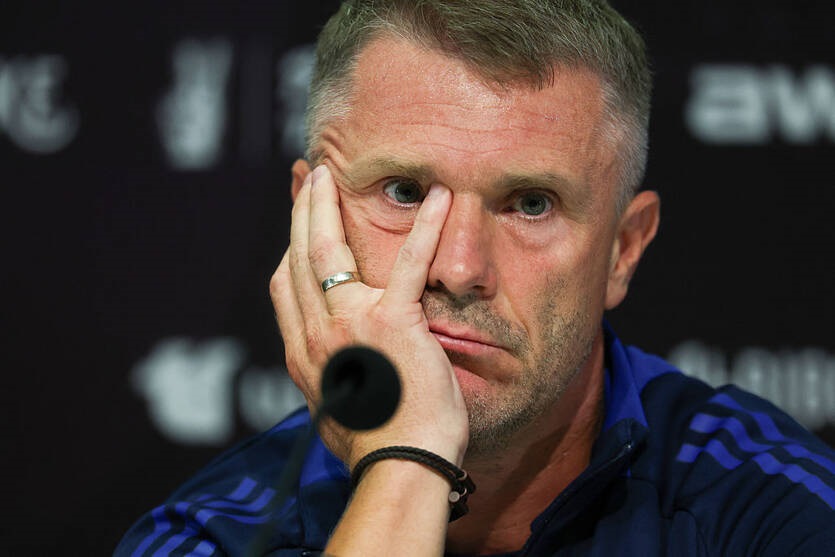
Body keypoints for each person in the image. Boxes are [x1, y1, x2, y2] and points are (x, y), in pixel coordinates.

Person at [117, 1, 835, 555]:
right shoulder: (209, 535)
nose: (458, 269)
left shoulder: (777, 514)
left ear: (622, 250)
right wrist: (406, 459)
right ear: (311, 221)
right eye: (404, 192)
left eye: (531, 204)